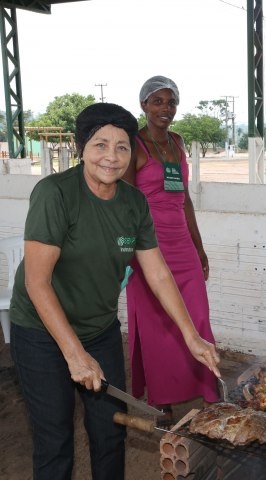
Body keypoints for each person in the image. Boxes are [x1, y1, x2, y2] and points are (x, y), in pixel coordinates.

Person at [9, 103, 221, 480]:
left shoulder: (134, 203)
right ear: (81, 148)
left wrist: (191, 335)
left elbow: (158, 274)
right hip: (42, 333)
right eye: (100, 145)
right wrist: (74, 354)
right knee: (55, 440)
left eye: (122, 147)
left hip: (100, 329)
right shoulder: (55, 193)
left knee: (110, 433)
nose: (111, 156)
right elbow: (36, 282)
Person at [123, 76, 218, 425]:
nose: (166, 108)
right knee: (156, 326)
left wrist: (199, 247)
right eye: (158, 101)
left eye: (171, 101)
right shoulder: (134, 144)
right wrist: (128, 251)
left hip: (181, 242)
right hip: (148, 246)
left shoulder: (177, 142)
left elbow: (185, 200)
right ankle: (162, 401)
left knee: (197, 316)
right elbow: (127, 203)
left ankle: (208, 390)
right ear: (144, 106)